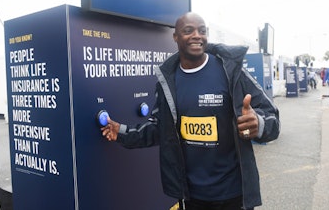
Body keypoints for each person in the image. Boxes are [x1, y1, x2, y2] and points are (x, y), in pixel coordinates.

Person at [101, 12, 280, 210]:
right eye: (188, 31)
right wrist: (123, 133)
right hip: (192, 196)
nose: (197, 35)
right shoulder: (168, 82)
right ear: (175, 37)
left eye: (202, 31)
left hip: (234, 194)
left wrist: (258, 124)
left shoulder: (230, 71)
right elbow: (160, 128)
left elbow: (271, 114)